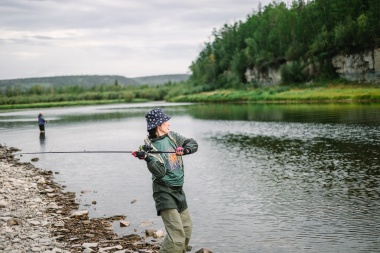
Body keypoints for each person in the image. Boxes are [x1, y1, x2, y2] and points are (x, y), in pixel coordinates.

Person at [132, 108, 198, 253]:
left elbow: (193, 143)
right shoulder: (150, 146)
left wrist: (185, 150)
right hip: (163, 192)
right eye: (165, 120)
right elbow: (160, 172)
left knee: (186, 229)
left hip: (179, 190)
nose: (169, 123)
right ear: (158, 124)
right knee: (177, 236)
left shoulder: (173, 136)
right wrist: (147, 157)